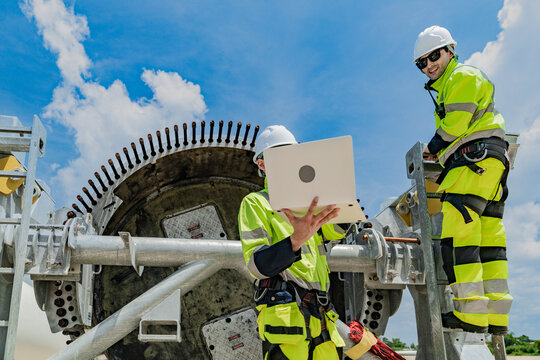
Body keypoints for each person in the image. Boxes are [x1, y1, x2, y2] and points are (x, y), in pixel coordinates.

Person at [413, 25, 512, 335]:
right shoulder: (454, 83)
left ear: (450, 50)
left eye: (433, 56)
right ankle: (496, 318)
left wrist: (432, 148)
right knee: (490, 245)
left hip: (472, 161)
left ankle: (470, 315)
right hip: (490, 167)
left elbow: (455, 126)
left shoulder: (461, 77)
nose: (428, 65)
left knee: (458, 240)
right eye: (422, 63)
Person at [238, 125, 347, 359]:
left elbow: (336, 231)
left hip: (322, 316)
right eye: (277, 157)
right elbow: (258, 266)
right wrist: (296, 240)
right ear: (262, 164)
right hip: (286, 317)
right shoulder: (256, 203)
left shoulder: (310, 205)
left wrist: (344, 206)